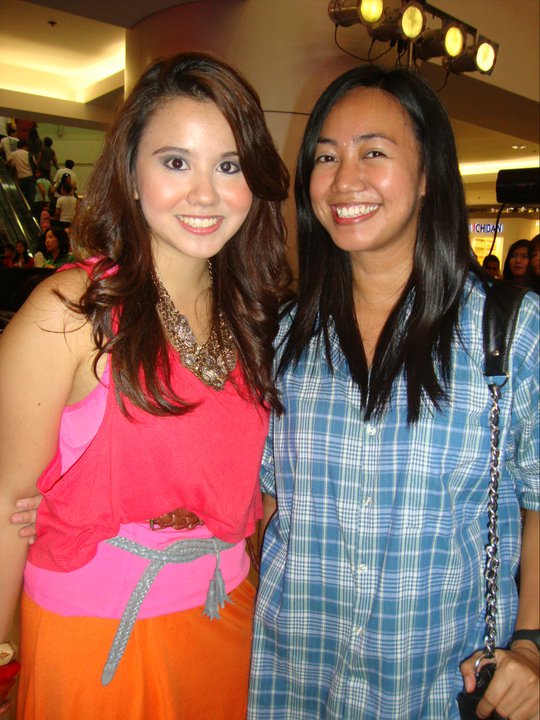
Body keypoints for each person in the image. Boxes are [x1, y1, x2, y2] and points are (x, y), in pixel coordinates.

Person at [0, 51, 290, 719]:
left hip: (227, 620)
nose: (205, 194)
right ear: (131, 173)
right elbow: (8, 503)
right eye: (176, 162)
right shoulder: (71, 311)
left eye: (229, 165)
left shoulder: (256, 316)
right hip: (95, 637)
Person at [248, 64, 539, 719]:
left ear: (428, 173)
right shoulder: (286, 336)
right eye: (326, 156)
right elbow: (264, 506)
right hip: (293, 682)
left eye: (373, 153)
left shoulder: (508, 333)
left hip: (436, 686)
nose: (343, 179)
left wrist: (532, 644)